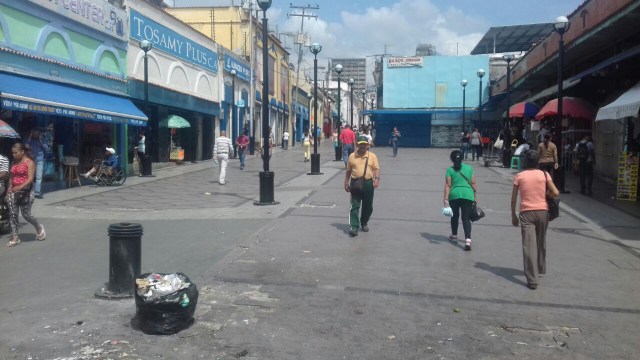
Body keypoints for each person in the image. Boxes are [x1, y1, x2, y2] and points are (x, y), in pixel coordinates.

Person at [511, 150, 560, 290]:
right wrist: (546, 194)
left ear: (525, 162)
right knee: (539, 241)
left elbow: (514, 198)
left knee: (529, 245)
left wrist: (513, 215)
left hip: (526, 213)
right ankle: (538, 268)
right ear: (538, 162)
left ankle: (533, 281)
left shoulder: (519, 176)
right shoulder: (545, 174)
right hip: (543, 212)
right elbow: (556, 192)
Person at [5, 143, 45, 247]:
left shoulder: (29, 162)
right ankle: (15, 237)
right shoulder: (14, 162)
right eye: (12, 153)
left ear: (22, 152)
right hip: (13, 191)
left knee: (26, 214)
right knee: (13, 214)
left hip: (26, 192)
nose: (14, 155)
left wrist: (20, 187)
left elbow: (31, 179)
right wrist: (9, 188)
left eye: (16, 153)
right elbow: (11, 176)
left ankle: (38, 227)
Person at [344, 136, 380, 237]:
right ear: (357, 145)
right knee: (354, 205)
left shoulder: (372, 156)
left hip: (368, 183)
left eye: (365, 144)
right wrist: (346, 182)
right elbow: (348, 171)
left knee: (368, 206)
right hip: (355, 183)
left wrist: (376, 179)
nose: (363, 146)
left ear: (367, 145)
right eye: (361, 145)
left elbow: (376, 169)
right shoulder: (352, 156)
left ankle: (364, 222)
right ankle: (354, 227)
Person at [443, 150, 476, 251]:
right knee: (466, 219)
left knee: (455, 217)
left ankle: (454, 236)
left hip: (454, 195)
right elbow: (473, 184)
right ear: (462, 158)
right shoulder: (469, 168)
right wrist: (475, 197)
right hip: (468, 195)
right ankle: (468, 240)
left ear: (452, 159)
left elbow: (448, 185)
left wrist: (445, 199)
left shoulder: (449, 170)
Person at [24, 128, 48, 199]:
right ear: (32, 133)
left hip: (40, 159)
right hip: (30, 160)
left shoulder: (42, 140)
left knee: (38, 176)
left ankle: (37, 192)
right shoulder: (28, 139)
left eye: (37, 134)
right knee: (29, 176)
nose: (36, 135)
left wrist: (41, 141)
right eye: (34, 133)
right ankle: (28, 191)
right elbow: (25, 146)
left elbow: (46, 149)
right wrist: (30, 137)